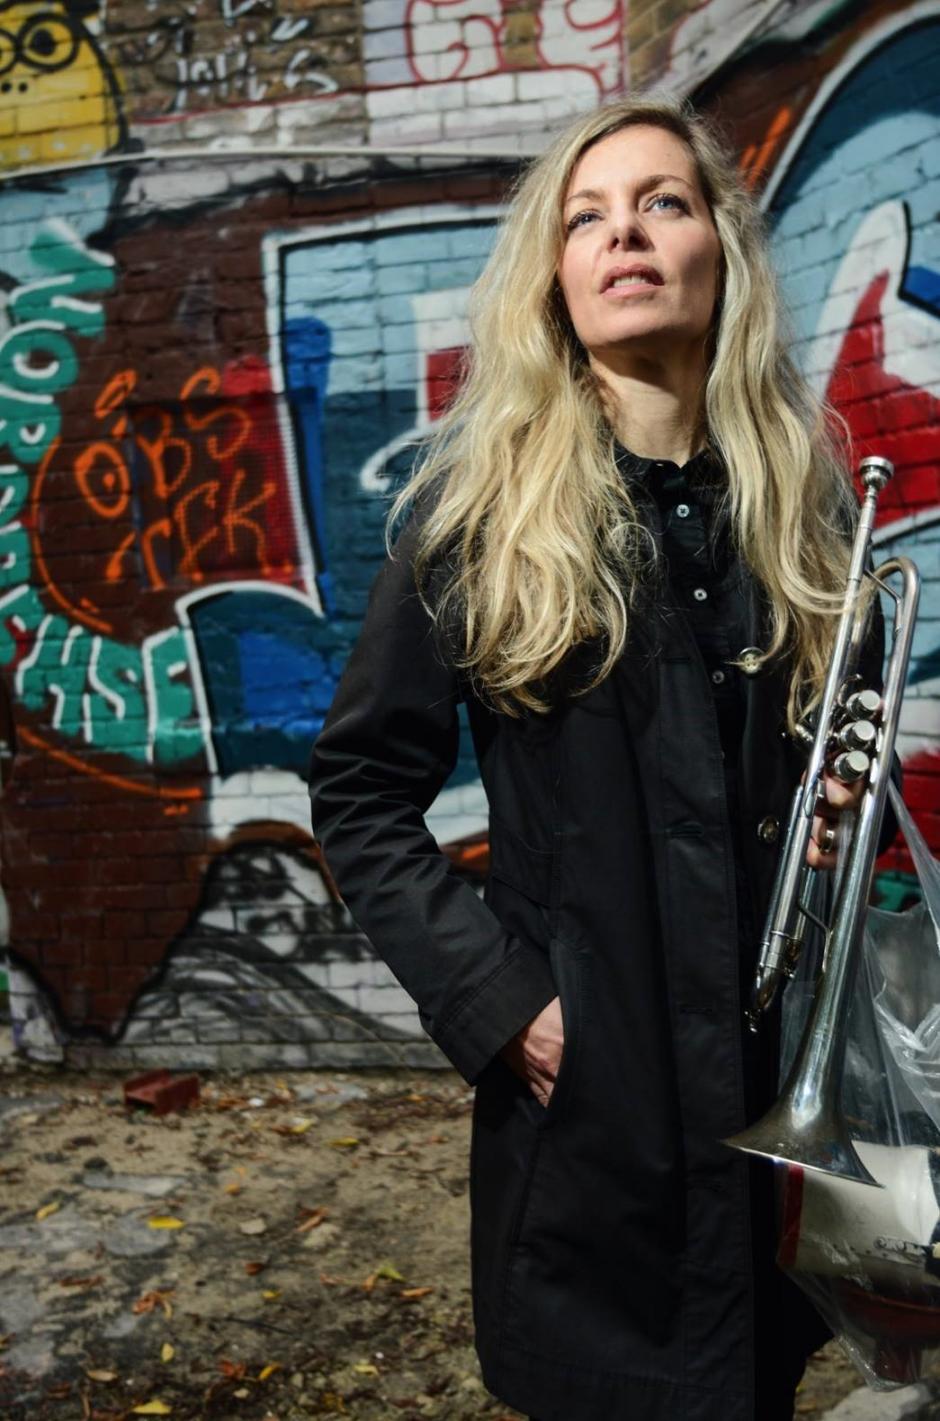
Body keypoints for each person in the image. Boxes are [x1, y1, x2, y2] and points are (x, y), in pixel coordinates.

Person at [308, 93, 891, 1421]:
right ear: (556, 280)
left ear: (720, 253)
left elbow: (817, 757)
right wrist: (498, 1000)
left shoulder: (799, 510)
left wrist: (825, 808)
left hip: (765, 1109)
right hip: (591, 1115)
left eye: (662, 204)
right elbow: (357, 790)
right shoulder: (479, 514)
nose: (624, 234)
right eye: (587, 217)